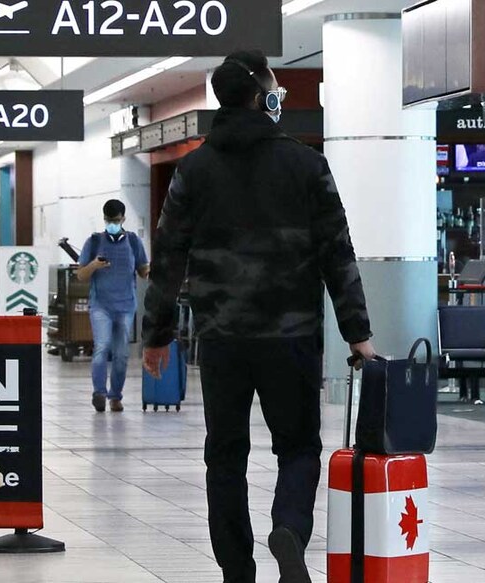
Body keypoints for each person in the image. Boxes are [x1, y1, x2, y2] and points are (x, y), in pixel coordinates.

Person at [141, 50, 376, 583]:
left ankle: (236, 569)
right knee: (298, 446)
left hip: (222, 338)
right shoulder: (306, 165)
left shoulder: (194, 169)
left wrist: (156, 335)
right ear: (260, 97)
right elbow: (337, 253)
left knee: (225, 455)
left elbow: (168, 256)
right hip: (291, 336)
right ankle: (289, 526)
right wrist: (358, 333)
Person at [75, 199, 149, 413]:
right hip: (101, 306)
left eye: (116, 220)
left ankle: (115, 396)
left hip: (126, 306)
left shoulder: (133, 242)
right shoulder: (94, 242)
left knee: (121, 354)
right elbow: (81, 275)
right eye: (108, 220)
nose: (112, 224)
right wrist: (94, 265)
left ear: (123, 219)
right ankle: (99, 392)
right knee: (102, 347)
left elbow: (143, 270)